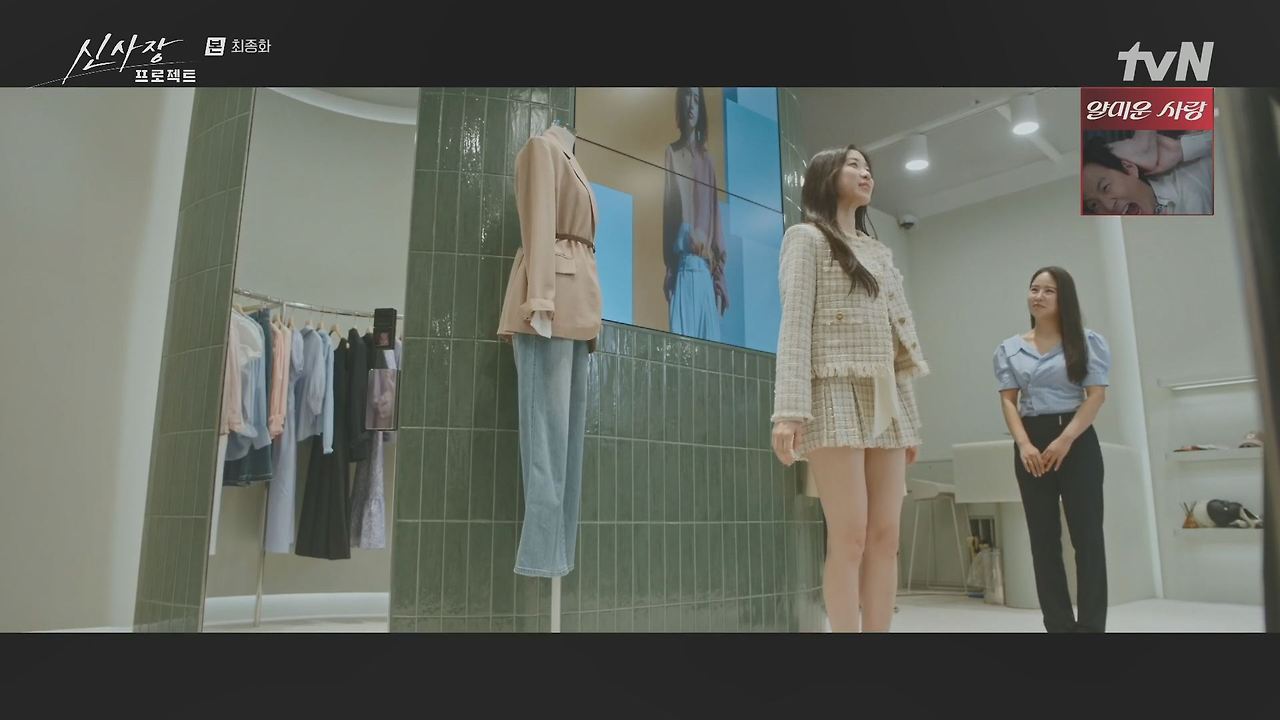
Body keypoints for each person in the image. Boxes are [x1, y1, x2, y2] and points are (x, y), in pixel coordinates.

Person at [770, 145, 929, 632]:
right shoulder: (805, 238)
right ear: (826, 175)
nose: (865, 173)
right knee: (850, 537)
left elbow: (899, 341)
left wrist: (910, 421)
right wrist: (789, 412)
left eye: (868, 167)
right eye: (853, 164)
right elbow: (794, 326)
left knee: (886, 537)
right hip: (832, 390)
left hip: (885, 396)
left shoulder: (880, 252)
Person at [992, 266, 1111, 632]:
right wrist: (1024, 444)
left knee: (1087, 539)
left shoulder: (1087, 341)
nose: (1038, 296)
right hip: (1031, 442)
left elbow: (1096, 396)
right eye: (1034, 289)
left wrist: (1065, 440)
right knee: (1043, 541)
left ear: (1064, 298)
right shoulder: (1010, 348)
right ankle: (1058, 627)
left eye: (1048, 291)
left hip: (1076, 439)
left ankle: (1091, 628)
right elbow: (1009, 401)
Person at [663, 86, 728, 340]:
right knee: (680, 353)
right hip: (681, 272)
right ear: (680, 103)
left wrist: (719, 280)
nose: (691, 104)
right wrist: (670, 272)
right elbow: (669, 218)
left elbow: (715, 219)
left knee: (709, 355)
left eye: (697, 99)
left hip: (703, 273)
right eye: (687, 97)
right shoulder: (671, 154)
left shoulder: (707, 161)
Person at [1082, 130, 1213, 215]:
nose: (1108, 206)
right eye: (1094, 205)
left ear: (1129, 168)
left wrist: (1180, 149)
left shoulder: (1193, 178)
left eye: (1105, 187)